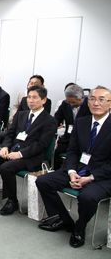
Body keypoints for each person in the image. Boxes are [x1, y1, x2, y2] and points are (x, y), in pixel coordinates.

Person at [36, 86, 111, 248]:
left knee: (87, 197)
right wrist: (71, 172)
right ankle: (64, 220)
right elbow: (72, 151)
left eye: (102, 99)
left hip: (102, 176)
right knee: (43, 181)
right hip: (77, 169)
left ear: (110, 104)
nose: (96, 103)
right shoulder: (82, 122)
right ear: (87, 102)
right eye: (92, 99)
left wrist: (90, 178)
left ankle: (79, 227)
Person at [0, 85, 57, 215]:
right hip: (12, 150)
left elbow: (41, 145)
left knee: (6, 167)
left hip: (31, 156)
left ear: (44, 100)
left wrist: (20, 154)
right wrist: (5, 147)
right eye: (29, 97)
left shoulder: (49, 120)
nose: (30, 100)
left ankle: (12, 201)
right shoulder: (21, 115)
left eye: (35, 97)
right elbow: (10, 134)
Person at [53, 84, 91, 169]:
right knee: (57, 152)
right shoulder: (65, 104)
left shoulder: (90, 106)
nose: (70, 104)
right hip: (68, 137)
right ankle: (56, 172)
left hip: (83, 139)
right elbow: (57, 118)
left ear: (81, 98)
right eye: (68, 102)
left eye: (73, 102)